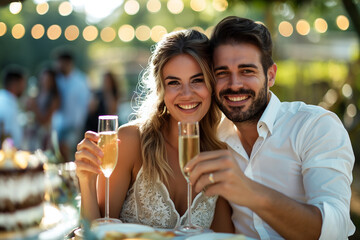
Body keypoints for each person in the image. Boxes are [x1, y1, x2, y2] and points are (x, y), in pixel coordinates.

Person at [185, 16, 355, 239]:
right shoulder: (213, 138)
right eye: (222, 73)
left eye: (247, 71)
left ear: (271, 75)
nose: (235, 84)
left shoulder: (315, 126)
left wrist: (252, 193)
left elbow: (334, 230)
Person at [75, 29, 234, 232]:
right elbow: (95, 232)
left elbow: (224, 237)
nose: (187, 94)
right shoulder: (130, 141)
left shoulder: (219, 156)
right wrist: (86, 180)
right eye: (174, 83)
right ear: (160, 89)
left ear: (212, 85)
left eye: (197, 80)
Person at [52, 50, 90, 161]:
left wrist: (79, 128)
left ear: (68, 63)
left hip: (74, 126)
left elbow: (84, 107)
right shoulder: (58, 80)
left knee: (69, 155)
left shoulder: (81, 82)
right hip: (59, 126)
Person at [26, 67, 60, 150]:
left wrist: (34, 107)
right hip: (34, 133)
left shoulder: (54, 98)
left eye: (48, 79)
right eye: (43, 78)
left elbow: (45, 121)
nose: (45, 81)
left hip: (45, 135)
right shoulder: (38, 93)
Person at [0, 66, 27, 148]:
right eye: (22, 83)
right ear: (15, 84)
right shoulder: (5, 103)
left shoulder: (9, 100)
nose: (24, 87)